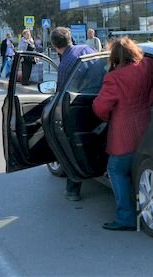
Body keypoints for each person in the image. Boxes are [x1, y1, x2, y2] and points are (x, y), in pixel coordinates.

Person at [91, 37, 153, 231]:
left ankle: (126, 217)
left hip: (124, 133)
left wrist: (105, 117)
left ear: (114, 57)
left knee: (116, 169)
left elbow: (100, 107)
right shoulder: (148, 66)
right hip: (147, 127)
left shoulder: (114, 77)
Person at [50, 26, 96, 201]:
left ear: (54, 45)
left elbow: (62, 94)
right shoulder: (87, 48)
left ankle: (73, 188)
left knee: (71, 146)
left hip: (80, 107)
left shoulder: (66, 63)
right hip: (101, 100)